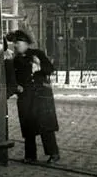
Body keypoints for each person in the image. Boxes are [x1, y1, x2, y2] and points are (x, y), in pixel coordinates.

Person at [10, 29, 60, 164]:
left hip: (41, 95)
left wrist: (40, 66)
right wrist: (16, 88)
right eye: (15, 43)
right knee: (28, 126)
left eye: (18, 42)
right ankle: (30, 155)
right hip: (26, 96)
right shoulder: (15, 60)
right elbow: (13, 78)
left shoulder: (38, 54)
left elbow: (50, 69)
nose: (16, 45)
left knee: (45, 126)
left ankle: (53, 153)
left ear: (26, 43)